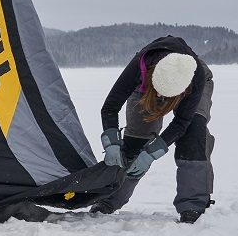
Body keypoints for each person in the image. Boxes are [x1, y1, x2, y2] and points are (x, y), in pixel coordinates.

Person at [92, 36, 214, 223]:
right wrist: (111, 143)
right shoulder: (139, 66)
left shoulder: (195, 78)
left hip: (192, 85)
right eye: (157, 91)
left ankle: (192, 204)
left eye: (164, 95)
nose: (159, 96)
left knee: (193, 135)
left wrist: (151, 154)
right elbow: (110, 107)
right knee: (135, 140)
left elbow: (181, 122)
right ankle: (109, 199)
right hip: (144, 84)